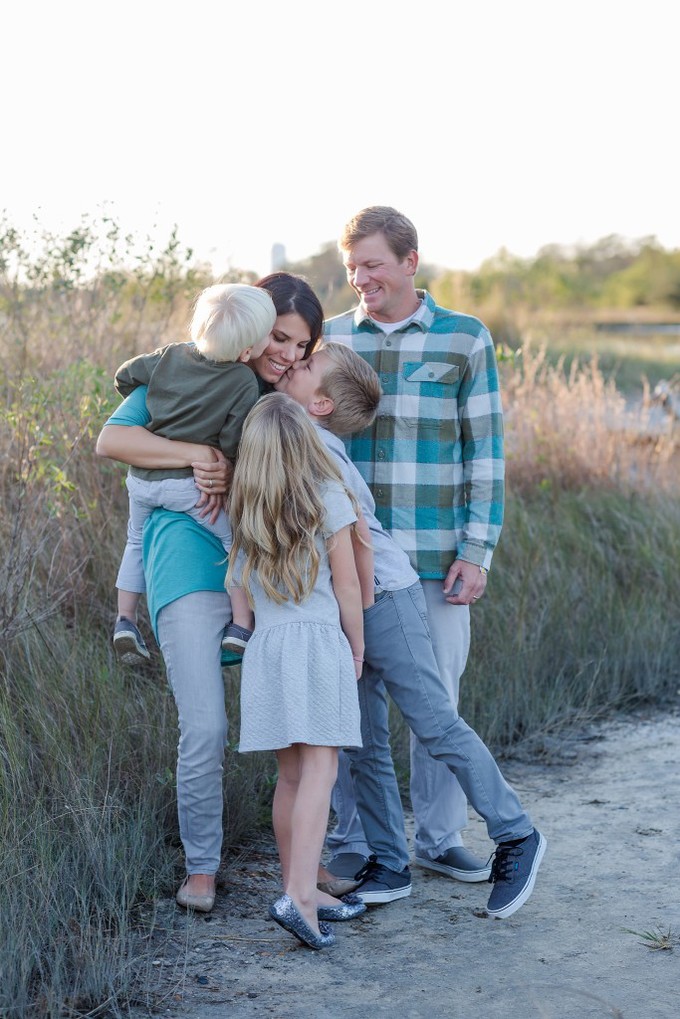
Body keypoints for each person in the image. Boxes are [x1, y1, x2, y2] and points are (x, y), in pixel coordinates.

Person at [277, 342, 546, 919]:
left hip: (382, 598)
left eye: (306, 366)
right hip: (338, 606)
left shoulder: (317, 452)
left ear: (321, 403)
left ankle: (516, 833)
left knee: (432, 719)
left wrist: (359, 619)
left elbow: (359, 544)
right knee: (362, 740)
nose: (294, 365)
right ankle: (389, 862)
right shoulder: (298, 437)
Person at [95, 272, 324, 914]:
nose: (285, 353)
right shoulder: (184, 368)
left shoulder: (289, 395)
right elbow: (112, 439)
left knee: (310, 719)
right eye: (277, 337)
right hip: (186, 561)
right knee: (205, 725)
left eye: (299, 346)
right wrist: (196, 452)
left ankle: (312, 864)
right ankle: (201, 869)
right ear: (250, 333)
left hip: (272, 572)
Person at [323, 206, 511, 886]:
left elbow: (486, 454)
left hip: (435, 558)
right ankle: (353, 837)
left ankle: (438, 834)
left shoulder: (465, 338)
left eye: (372, 263)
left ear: (410, 262)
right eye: (352, 267)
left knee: (437, 704)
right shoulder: (334, 338)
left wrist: (477, 550)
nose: (360, 278)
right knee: (348, 700)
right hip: (347, 560)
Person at [226, 393, 367, 950]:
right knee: (322, 769)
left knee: (290, 774)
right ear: (306, 442)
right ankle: (301, 898)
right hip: (316, 642)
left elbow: (236, 585)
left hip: (269, 648)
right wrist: (356, 646)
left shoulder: (246, 506)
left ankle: (298, 885)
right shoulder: (328, 496)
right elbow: (350, 585)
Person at [111, 283, 277, 665]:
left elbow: (125, 374)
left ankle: (124, 619)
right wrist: (225, 463)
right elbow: (234, 439)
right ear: (247, 351)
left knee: (135, 541)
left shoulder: (169, 355)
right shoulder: (242, 381)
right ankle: (241, 623)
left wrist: (150, 402)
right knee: (232, 543)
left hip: (142, 481)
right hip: (191, 484)